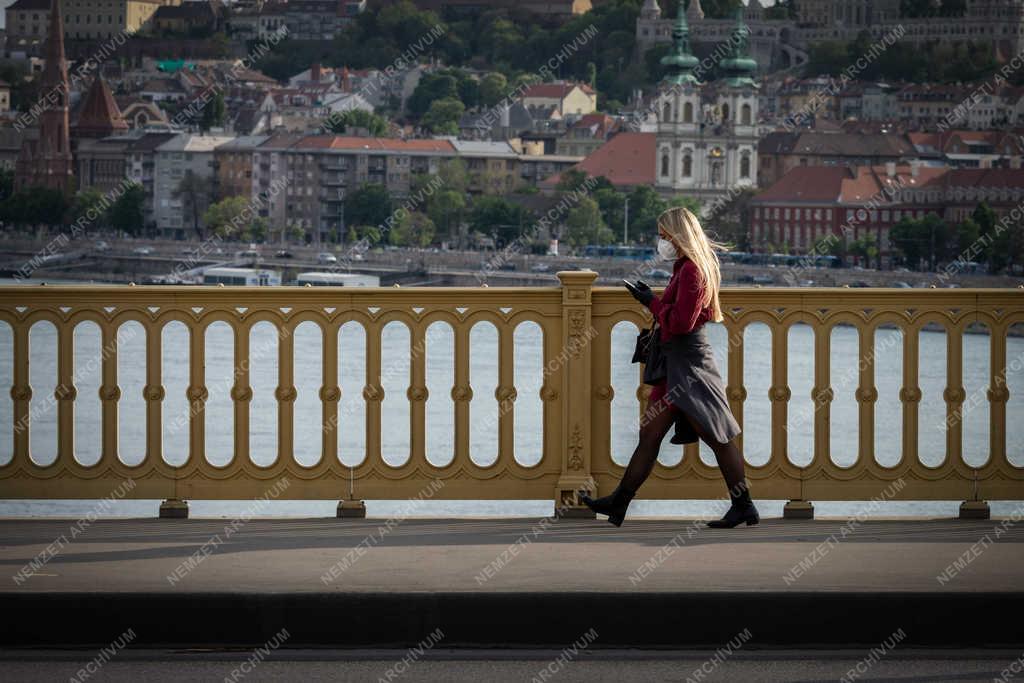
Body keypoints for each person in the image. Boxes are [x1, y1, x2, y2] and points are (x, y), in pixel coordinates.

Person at [580, 207, 758, 528]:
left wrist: (649, 300)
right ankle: (619, 503)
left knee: (717, 438)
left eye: (664, 235)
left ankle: (743, 506)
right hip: (675, 366)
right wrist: (653, 299)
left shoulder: (691, 271)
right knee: (650, 434)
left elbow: (679, 323)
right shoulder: (685, 267)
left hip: (689, 368)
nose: (661, 241)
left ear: (678, 236)